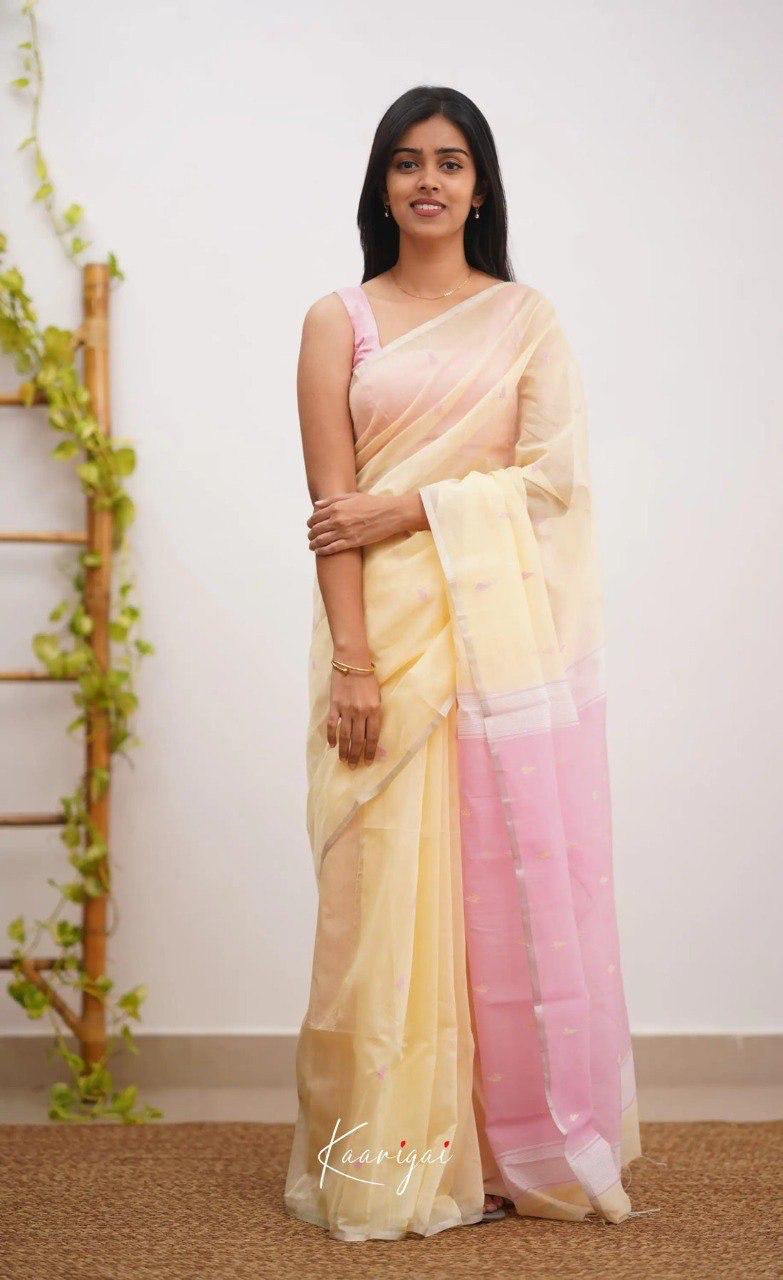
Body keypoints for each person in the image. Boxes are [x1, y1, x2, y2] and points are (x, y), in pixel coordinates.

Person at [284, 84, 644, 1243]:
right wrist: (353, 662)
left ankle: (498, 1151)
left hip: (496, 649)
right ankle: (390, 1158)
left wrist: (410, 505)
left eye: (449, 161)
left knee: (498, 892)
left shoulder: (525, 319)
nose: (428, 180)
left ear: (480, 186)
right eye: (406, 162)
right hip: (383, 640)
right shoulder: (338, 320)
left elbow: (551, 478)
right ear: (381, 186)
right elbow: (332, 512)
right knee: (378, 899)